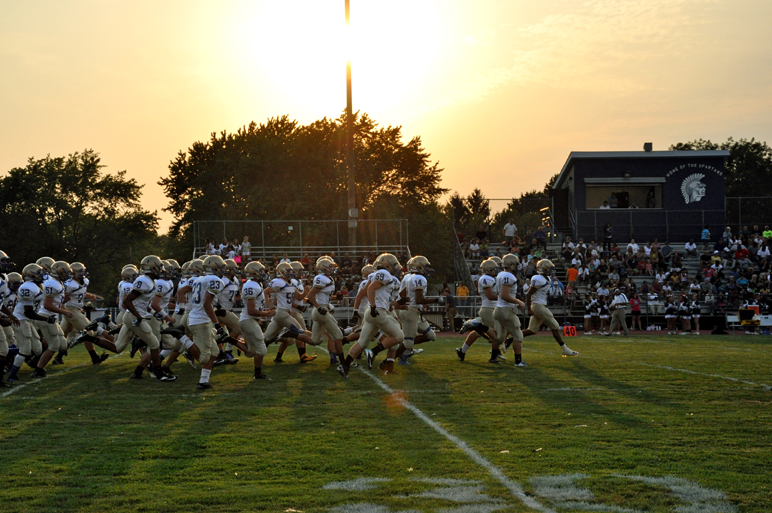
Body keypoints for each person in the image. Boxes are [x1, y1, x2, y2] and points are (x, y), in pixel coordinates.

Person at [520, 259, 579, 357]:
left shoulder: (546, 278)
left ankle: (509, 340)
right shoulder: (538, 278)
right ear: (543, 269)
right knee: (555, 326)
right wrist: (528, 308)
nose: (551, 270)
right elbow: (529, 294)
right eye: (549, 268)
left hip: (540, 305)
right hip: (538, 306)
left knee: (531, 330)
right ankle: (565, 349)